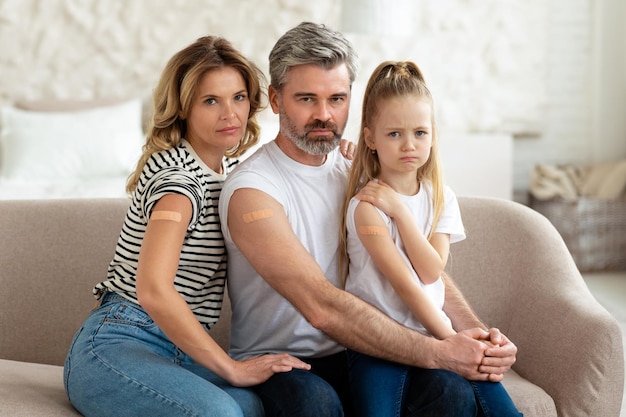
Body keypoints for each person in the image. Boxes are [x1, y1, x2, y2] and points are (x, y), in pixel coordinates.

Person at [218, 22, 518, 417]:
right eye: (307, 99)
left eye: (337, 99)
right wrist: (441, 350)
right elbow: (321, 307)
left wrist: (476, 338)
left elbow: (416, 264)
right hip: (284, 361)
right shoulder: (253, 190)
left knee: (451, 392)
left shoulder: (357, 170)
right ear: (275, 99)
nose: (324, 115)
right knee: (315, 403)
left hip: (363, 349)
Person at [63, 36, 311, 417]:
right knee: (221, 414)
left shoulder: (221, 172)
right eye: (211, 101)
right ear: (183, 108)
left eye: (239, 97)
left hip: (173, 351)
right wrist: (231, 368)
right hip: (117, 342)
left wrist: (341, 154)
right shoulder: (180, 182)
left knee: (253, 407)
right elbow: (153, 289)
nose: (230, 113)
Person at [341, 60, 522, 416]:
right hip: (376, 342)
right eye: (394, 134)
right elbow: (407, 285)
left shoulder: (441, 197)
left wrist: (403, 213)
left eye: (420, 133)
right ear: (370, 138)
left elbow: (430, 271)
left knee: (498, 402)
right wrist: (451, 341)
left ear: (433, 136)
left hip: (431, 333)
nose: (409, 145)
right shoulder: (366, 206)